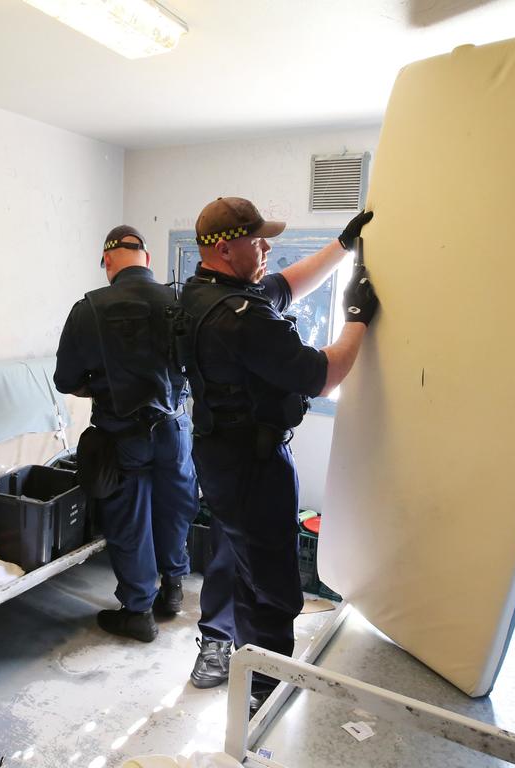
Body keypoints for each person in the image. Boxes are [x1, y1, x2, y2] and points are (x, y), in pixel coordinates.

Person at [177, 197, 379, 705]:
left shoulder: (206, 292)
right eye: (258, 239)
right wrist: (356, 318)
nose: (268, 247)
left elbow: (287, 285)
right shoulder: (239, 317)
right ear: (225, 249)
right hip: (252, 464)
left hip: (224, 455)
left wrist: (342, 246)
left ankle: (246, 667)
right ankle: (263, 697)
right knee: (273, 588)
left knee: (246, 567)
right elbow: (324, 375)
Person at [54, 225, 199, 643]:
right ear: (147, 259)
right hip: (175, 427)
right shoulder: (179, 300)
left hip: (123, 434)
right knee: (175, 507)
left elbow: (66, 379)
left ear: (109, 260)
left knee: (129, 519)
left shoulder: (90, 308)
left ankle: (138, 612)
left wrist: (95, 386)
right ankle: (172, 589)